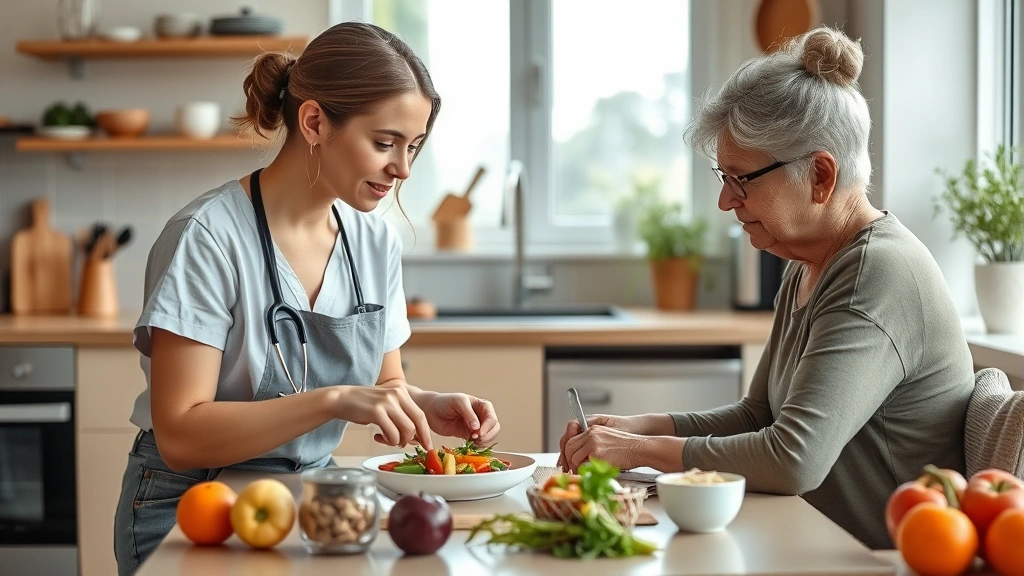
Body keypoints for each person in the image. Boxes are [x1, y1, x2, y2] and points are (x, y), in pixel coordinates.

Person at [557, 26, 974, 550]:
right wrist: (639, 427)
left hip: (871, 557)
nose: (725, 202)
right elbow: (759, 416)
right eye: (722, 177)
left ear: (821, 175)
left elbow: (793, 458)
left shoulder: (876, 275)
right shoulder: (809, 264)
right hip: (814, 539)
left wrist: (641, 449)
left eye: (742, 179)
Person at [114, 22, 500, 575]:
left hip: (310, 499)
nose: (403, 168)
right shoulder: (207, 236)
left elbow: (382, 384)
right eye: (385, 143)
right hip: (193, 505)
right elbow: (179, 433)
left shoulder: (373, 239)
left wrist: (428, 404)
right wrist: (334, 399)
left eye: (412, 146)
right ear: (315, 121)